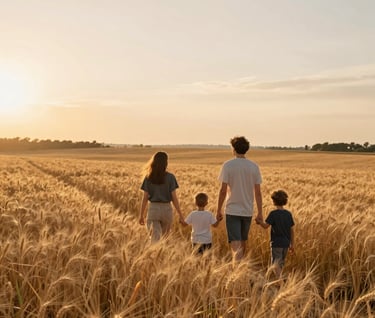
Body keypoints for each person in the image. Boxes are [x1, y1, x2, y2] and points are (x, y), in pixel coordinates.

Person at [216, 136, 263, 261]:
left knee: (235, 245)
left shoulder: (228, 165)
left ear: (233, 149)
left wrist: (218, 210)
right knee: (243, 243)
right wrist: (260, 213)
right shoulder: (254, 166)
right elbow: (258, 192)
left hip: (232, 210)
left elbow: (223, 191)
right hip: (247, 210)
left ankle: (238, 271)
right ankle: (242, 270)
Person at [139, 151, 185, 243]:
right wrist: (180, 214)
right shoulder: (171, 177)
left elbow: (145, 198)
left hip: (153, 209)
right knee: (164, 240)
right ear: (166, 163)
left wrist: (141, 215)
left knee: (154, 240)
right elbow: (174, 198)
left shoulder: (148, 177)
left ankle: (154, 255)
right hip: (167, 210)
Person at [256, 190, 295, 279]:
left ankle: (280, 281)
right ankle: (280, 281)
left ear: (274, 201)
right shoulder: (288, 214)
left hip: (276, 243)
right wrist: (292, 244)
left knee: (275, 264)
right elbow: (292, 230)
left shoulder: (273, 214)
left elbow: (266, 226)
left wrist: (259, 222)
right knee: (281, 263)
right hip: (286, 243)